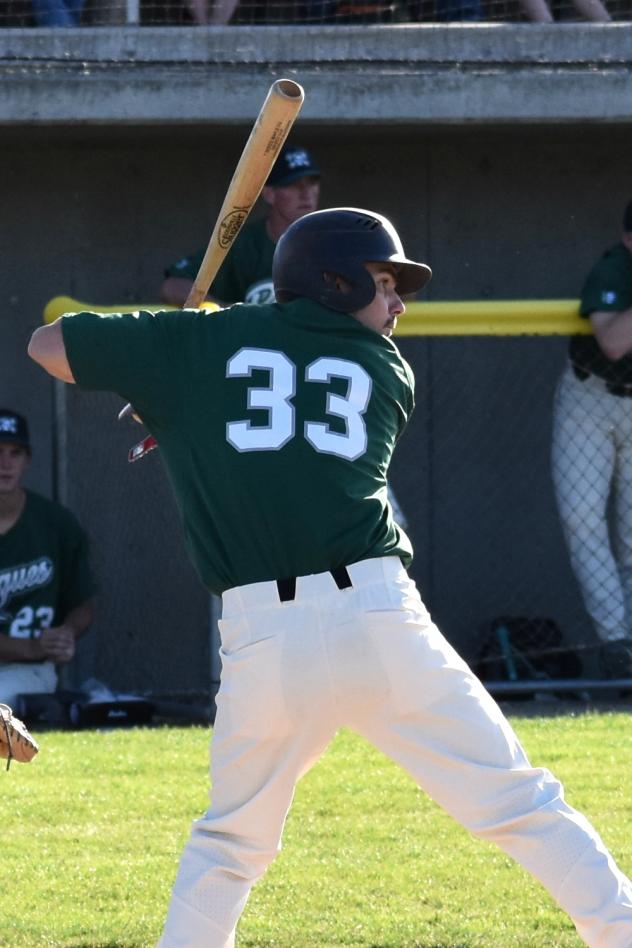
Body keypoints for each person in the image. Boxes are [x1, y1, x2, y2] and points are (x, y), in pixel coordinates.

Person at [29, 207, 632, 948]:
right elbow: (275, 382)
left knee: (228, 847)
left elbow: (46, 344)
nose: (399, 305)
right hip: (376, 622)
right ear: (334, 282)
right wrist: (193, 366)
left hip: (260, 642)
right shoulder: (384, 370)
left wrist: (170, 348)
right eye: (384, 284)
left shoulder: (204, 343)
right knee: (520, 802)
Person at [552, 199, 632, 680]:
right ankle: (616, 642)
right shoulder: (613, 268)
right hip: (590, 398)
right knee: (582, 520)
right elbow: (614, 341)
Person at [0, 409, 95, 708]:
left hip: (29, 673)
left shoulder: (56, 524)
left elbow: (83, 603)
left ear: (27, 460)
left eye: (15, 452)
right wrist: (31, 646)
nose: (5, 463)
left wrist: (67, 633)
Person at [160, 142, 321, 308]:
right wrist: (227, 313)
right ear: (269, 194)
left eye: (312, 182)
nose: (306, 193)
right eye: (293, 184)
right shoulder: (245, 244)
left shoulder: (332, 239)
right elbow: (173, 286)